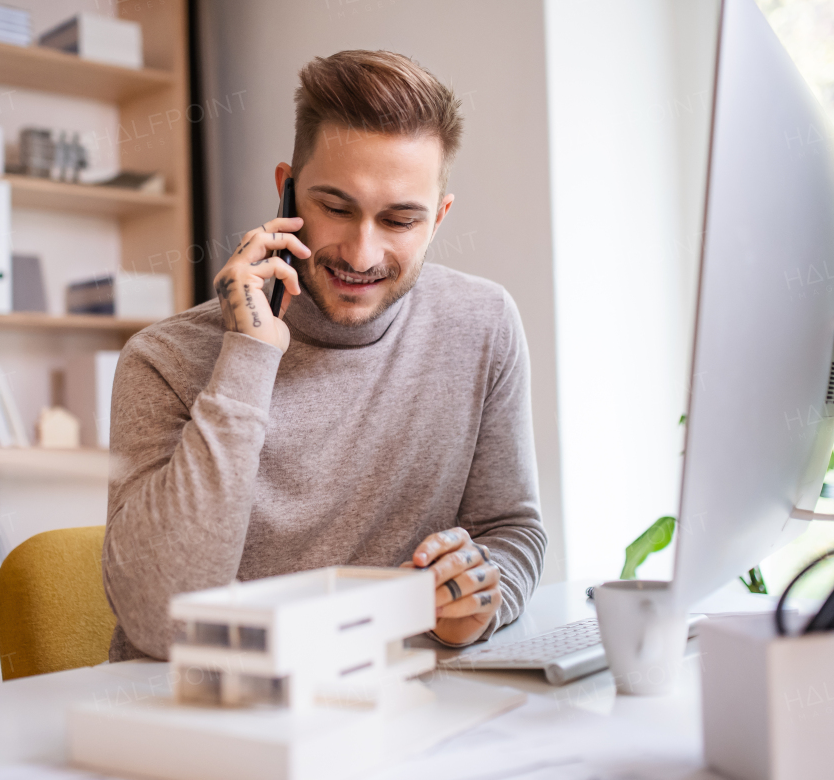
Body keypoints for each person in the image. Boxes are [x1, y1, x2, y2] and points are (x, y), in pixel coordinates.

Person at [103, 49, 546, 661]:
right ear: (287, 192)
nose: (362, 254)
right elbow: (161, 624)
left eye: (399, 220)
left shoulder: (482, 324)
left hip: (388, 707)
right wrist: (248, 353)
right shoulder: (163, 360)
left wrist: (475, 605)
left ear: (438, 218)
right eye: (336, 208)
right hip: (211, 719)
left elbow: (510, 531)